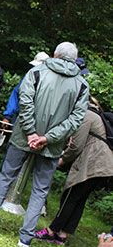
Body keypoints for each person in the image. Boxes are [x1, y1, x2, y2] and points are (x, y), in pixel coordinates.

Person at [0, 42, 90, 247]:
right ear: (74, 59)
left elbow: (25, 99)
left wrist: (32, 133)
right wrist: (48, 138)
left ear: (55, 54)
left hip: (25, 136)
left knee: (5, 178)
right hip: (51, 144)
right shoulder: (82, 84)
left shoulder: (37, 72)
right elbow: (76, 119)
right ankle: (25, 239)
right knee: (40, 190)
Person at [34, 97, 113, 245]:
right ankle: (62, 235)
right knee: (79, 199)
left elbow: (76, 146)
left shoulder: (86, 115)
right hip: (105, 166)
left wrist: (62, 160)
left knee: (70, 196)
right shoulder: (97, 116)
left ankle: (51, 231)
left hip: (92, 164)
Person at [2, 52, 50, 125]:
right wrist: (7, 116)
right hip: (21, 116)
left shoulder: (50, 81)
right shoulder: (28, 77)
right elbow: (16, 94)